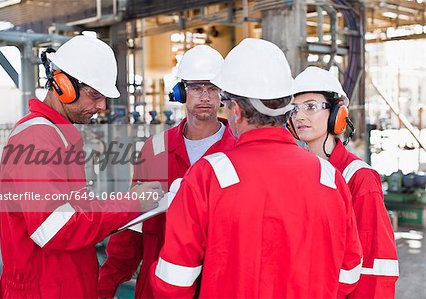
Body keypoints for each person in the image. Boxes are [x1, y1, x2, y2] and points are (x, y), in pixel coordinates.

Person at [148, 38, 363, 298]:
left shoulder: (207, 176)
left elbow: (174, 284)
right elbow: (348, 274)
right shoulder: (329, 177)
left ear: (236, 111)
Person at [0, 35, 162, 298]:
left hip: (64, 285)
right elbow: (54, 229)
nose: (102, 106)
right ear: (63, 85)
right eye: (94, 95)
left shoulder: (59, 134)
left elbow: (74, 214)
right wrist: (130, 203)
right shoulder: (37, 138)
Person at [97, 45, 236, 298]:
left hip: (218, 287)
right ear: (181, 92)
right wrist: (107, 283)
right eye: (196, 88)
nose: (205, 96)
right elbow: (134, 223)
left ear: (223, 94)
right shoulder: (156, 149)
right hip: (159, 288)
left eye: (212, 88)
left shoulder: (238, 151)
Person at [288, 66, 399, 298]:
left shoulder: (359, 177)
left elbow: (376, 265)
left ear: (338, 113)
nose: (299, 116)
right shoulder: (294, 173)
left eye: (311, 106)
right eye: (294, 108)